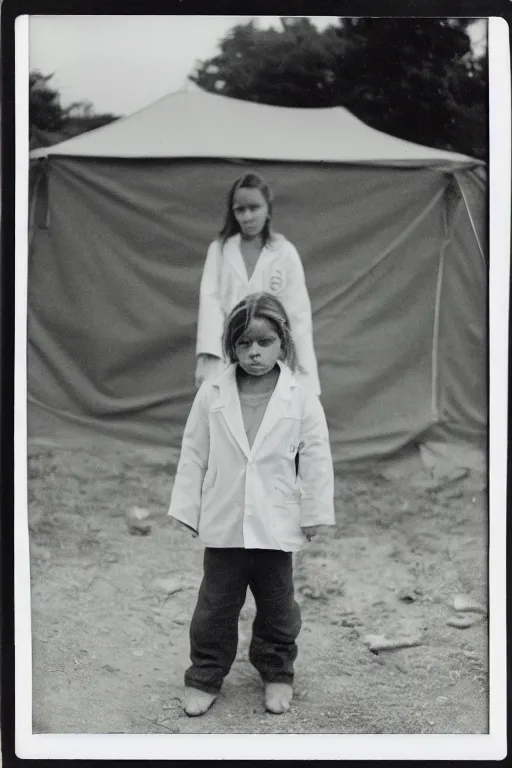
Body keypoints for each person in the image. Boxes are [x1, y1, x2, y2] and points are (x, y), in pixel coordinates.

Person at [169, 292, 334, 718]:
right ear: (231, 347)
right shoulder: (213, 392)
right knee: (215, 606)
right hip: (224, 522)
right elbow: (194, 451)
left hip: (276, 523)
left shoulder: (300, 397)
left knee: (279, 607)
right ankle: (204, 676)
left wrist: (315, 513)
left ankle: (277, 672)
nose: (254, 352)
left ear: (283, 343)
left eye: (264, 343)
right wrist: (188, 508)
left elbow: (316, 457)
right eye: (244, 344)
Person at [195, 172, 321, 395]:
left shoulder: (284, 253)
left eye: (254, 208)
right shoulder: (220, 250)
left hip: (271, 353)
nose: (247, 217)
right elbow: (210, 304)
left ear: (268, 209)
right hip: (230, 351)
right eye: (240, 210)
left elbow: (298, 315)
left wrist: (302, 369)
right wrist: (210, 359)